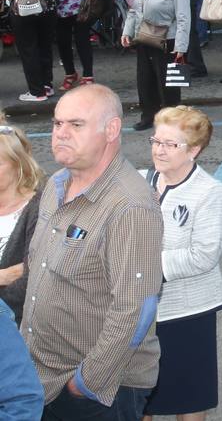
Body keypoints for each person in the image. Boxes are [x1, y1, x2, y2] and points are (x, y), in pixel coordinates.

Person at [24, 85, 163, 416]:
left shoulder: (130, 206)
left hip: (95, 392)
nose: (61, 134)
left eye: (76, 125)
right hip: (42, 380)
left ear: (111, 130)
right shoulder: (56, 185)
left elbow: (135, 309)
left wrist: (86, 382)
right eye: (58, 124)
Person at [141, 106, 222, 420]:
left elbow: (204, 255)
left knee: (190, 399)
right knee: (139, 397)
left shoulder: (209, 192)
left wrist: (145, 266)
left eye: (169, 144)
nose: (159, 150)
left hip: (187, 312)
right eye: (156, 141)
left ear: (194, 150)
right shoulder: (141, 180)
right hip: (140, 310)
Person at [120, 0, 191, 131]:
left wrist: (181, 47)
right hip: (145, 36)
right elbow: (134, 10)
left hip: (168, 39)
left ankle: (172, 119)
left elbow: (184, 17)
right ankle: (148, 116)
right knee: (145, 80)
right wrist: (127, 31)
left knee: (169, 83)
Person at [0, 122, 41, 320]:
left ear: (18, 165)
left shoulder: (38, 207)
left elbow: (35, 273)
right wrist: (3, 276)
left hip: (18, 324)